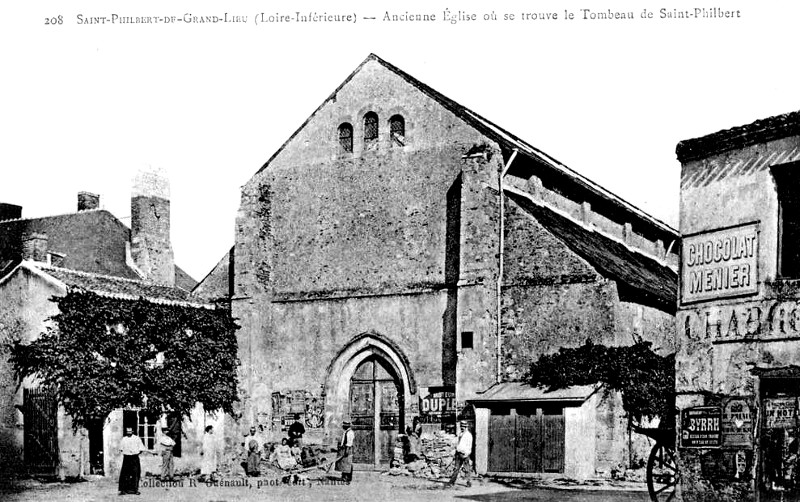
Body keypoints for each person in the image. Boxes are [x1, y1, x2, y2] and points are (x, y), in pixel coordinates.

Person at [119, 427, 146, 495]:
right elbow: (121, 449)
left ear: (132, 431)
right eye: (127, 431)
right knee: (125, 474)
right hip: (127, 458)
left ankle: (135, 490)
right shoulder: (124, 439)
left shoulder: (137, 438)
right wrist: (127, 453)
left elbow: (141, 449)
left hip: (134, 458)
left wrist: (135, 454)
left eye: (130, 431)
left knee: (136, 473)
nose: (129, 433)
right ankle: (123, 490)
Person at [447, 421, 473, 488]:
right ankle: (452, 482)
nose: (462, 428)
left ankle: (469, 482)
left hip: (464, 454)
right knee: (456, 468)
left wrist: (466, 454)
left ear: (466, 427)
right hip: (458, 453)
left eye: (463, 427)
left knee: (467, 469)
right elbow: (457, 443)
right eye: (461, 427)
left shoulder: (468, 435)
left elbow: (469, 446)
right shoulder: (460, 434)